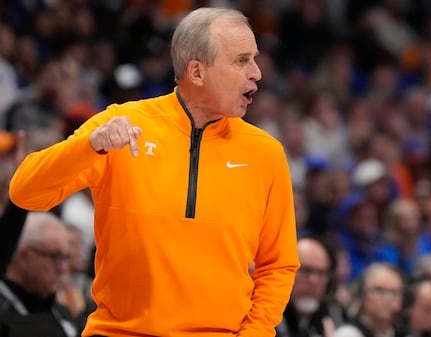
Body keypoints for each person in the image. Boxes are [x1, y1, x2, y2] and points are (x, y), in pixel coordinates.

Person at [9, 7, 299, 337]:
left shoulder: (266, 153)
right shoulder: (123, 124)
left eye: (255, 59)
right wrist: (89, 145)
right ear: (197, 72)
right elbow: (24, 192)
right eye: (241, 60)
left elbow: (278, 264)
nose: (257, 73)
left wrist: (255, 333)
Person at [0, 211, 78, 337]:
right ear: (23, 256)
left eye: (66, 258)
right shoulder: (4, 312)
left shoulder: (62, 312)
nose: (63, 269)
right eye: (55, 257)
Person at [276, 237, 346, 337]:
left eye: (321, 273)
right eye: (305, 270)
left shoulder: (335, 316)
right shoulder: (266, 313)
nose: (314, 281)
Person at [333, 262, 407, 337]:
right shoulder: (347, 334)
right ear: (362, 295)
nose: (388, 299)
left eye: (395, 292)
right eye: (379, 290)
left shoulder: (402, 333)